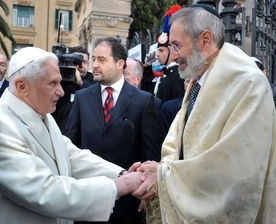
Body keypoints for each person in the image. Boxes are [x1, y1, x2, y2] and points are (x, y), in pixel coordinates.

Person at [133, 5, 276, 224]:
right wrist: (161, 171)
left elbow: (235, 171)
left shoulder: (249, 84)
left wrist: (163, 178)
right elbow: (178, 141)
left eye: (177, 45)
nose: (173, 55)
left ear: (205, 40)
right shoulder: (197, 78)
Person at [0, 47, 144, 224]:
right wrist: (120, 186)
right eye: (52, 83)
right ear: (22, 86)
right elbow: (45, 191)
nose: (62, 92)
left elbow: (71, 155)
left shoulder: (42, 113)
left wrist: (121, 174)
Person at [65, 37, 165, 224]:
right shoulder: (82, 98)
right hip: (88, 201)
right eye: (94, 59)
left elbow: (150, 153)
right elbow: (71, 145)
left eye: (101, 60)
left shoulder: (143, 101)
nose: (94, 65)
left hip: (128, 206)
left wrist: (145, 191)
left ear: (120, 63)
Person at [52, 46, 96, 132]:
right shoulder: (61, 78)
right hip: (59, 130)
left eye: (84, 62)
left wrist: (81, 83)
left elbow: (96, 98)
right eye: (77, 62)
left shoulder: (94, 81)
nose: (81, 66)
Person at [152, 4, 185, 103]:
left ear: (172, 50)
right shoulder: (165, 72)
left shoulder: (178, 75)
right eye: (158, 50)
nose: (157, 54)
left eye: (161, 51)